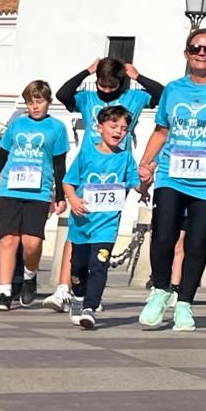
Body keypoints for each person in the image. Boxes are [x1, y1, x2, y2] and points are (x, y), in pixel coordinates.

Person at [135, 29, 206, 332]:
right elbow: (161, 131)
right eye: (196, 48)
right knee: (163, 236)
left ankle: (184, 303)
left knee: (197, 244)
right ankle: (160, 291)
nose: (201, 53)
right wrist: (144, 166)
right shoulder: (173, 90)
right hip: (172, 174)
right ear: (186, 53)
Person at [42, 57, 164, 314]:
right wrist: (88, 71)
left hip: (118, 170)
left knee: (101, 243)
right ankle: (67, 287)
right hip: (88, 169)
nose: (106, 90)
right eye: (102, 84)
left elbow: (162, 95)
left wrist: (138, 76)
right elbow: (64, 93)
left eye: (112, 85)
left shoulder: (134, 97)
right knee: (79, 236)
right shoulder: (87, 98)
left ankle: (89, 302)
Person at [0, 81, 69, 311]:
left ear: (48, 102)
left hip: (39, 193)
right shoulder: (17, 125)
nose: (35, 107)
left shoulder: (57, 128)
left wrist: (61, 195)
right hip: (10, 189)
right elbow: (1, 157)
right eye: (30, 102)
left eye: (39, 102)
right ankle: (4, 291)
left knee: (32, 243)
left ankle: (30, 275)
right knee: (8, 240)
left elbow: (60, 164)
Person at [61, 105, 139, 329]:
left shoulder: (126, 158)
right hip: (82, 222)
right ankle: (77, 297)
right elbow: (68, 182)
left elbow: (137, 185)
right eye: (113, 126)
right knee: (78, 267)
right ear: (99, 128)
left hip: (107, 224)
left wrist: (146, 179)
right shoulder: (86, 154)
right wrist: (73, 200)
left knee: (99, 265)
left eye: (124, 128)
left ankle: (90, 307)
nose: (118, 132)